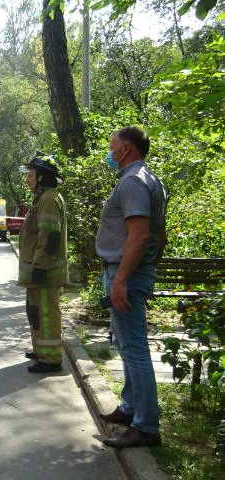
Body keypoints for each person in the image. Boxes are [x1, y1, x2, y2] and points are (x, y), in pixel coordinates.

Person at [97, 126, 168, 449]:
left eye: (112, 147)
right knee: (126, 347)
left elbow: (139, 235)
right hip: (134, 272)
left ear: (125, 149)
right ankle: (130, 408)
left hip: (126, 273)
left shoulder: (132, 182)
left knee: (135, 349)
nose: (110, 153)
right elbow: (159, 235)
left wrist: (123, 280)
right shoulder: (150, 179)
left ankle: (146, 426)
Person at [17, 155, 69, 373]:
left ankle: (50, 359)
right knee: (36, 311)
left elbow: (49, 236)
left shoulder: (49, 198)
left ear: (41, 177)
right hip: (38, 269)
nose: (28, 179)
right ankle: (41, 350)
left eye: (30, 175)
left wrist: (40, 266)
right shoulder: (42, 198)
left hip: (44, 271)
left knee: (46, 313)